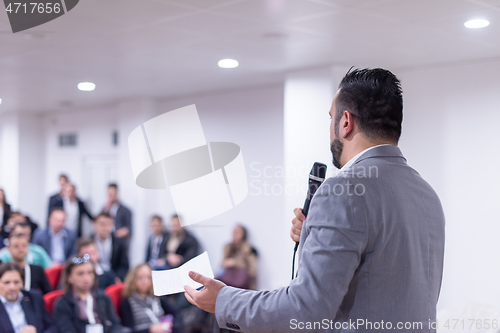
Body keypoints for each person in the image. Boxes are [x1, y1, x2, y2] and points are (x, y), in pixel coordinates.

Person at [182, 68, 446, 333]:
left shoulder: (343, 190)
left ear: (345, 122)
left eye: (331, 118)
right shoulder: (427, 195)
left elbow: (305, 311)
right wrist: (312, 235)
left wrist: (224, 300)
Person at [53, 254, 122, 333]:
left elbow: (115, 324)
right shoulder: (63, 304)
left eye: (90, 273)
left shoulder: (103, 297)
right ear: (70, 278)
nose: (86, 278)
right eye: (80, 274)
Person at [120, 264, 184, 333]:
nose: (145, 281)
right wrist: (150, 330)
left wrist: (172, 326)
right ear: (133, 279)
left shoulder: (156, 296)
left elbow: (176, 312)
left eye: (148, 277)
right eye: (140, 277)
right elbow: (129, 329)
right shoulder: (128, 300)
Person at [0, 263, 56, 333]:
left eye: (16, 282)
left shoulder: (34, 298)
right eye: (7, 282)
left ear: (22, 283)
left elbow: (51, 326)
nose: (12, 287)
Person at [217, 224, 257, 290]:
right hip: (227, 282)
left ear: (243, 235)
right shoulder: (228, 248)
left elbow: (252, 270)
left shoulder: (248, 249)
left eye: (237, 232)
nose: (234, 234)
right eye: (233, 232)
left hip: (242, 285)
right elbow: (222, 264)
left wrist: (234, 263)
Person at [91, 212, 129, 281]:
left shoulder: (119, 243)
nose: (105, 228)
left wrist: (118, 278)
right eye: (102, 224)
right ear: (95, 224)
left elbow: (124, 265)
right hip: (94, 276)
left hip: (113, 276)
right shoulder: (89, 241)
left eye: (109, 225)